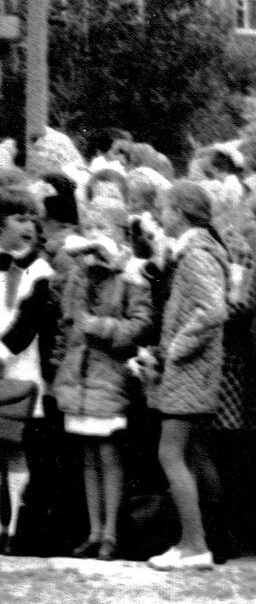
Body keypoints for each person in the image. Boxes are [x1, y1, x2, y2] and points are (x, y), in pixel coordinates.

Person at [53, 230, 152, 561]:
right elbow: (67, 324)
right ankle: (94, 532)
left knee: (109, 455)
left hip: (109, 375)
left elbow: (141, 326)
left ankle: (111, 533)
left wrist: (100, 326)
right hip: (78, 377)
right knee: (88, 457)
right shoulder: (77, 277)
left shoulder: (130, 277)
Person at [145, 182, 230, 571]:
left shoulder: (195, 254)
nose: (162, 218)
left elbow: (212, 310)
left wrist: (176, 348)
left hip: (190, 372)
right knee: (194, 453)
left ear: (179, 213)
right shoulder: (197, 251)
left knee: (171, 453)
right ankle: (209, 537)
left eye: (166, 210)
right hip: (195, 372)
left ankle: (194, 544)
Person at [0, 189, 56, 555]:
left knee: (16, 446)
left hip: (22, 366)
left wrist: (1, 353)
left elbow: (30, 321)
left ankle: (16, 527)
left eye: (32, 218)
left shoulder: (40, 269)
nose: (30, 225)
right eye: (20, 218)